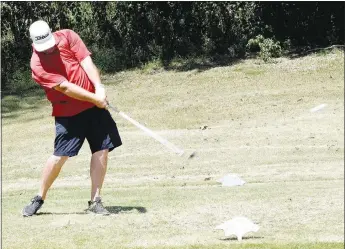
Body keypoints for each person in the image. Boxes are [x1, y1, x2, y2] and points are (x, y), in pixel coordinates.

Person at [22, 20, 122, 216]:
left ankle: (96, 201)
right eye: (44, 48)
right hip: (68, 114)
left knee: (102, 150)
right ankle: (39, 197)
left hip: (95, 109)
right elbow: (66, 87)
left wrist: (99, 87)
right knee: (60, 156)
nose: (49, 50)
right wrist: (96, 98)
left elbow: (86, 62)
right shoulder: (37, 65)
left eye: (50, 45)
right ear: (34, 43)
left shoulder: (67, 36)